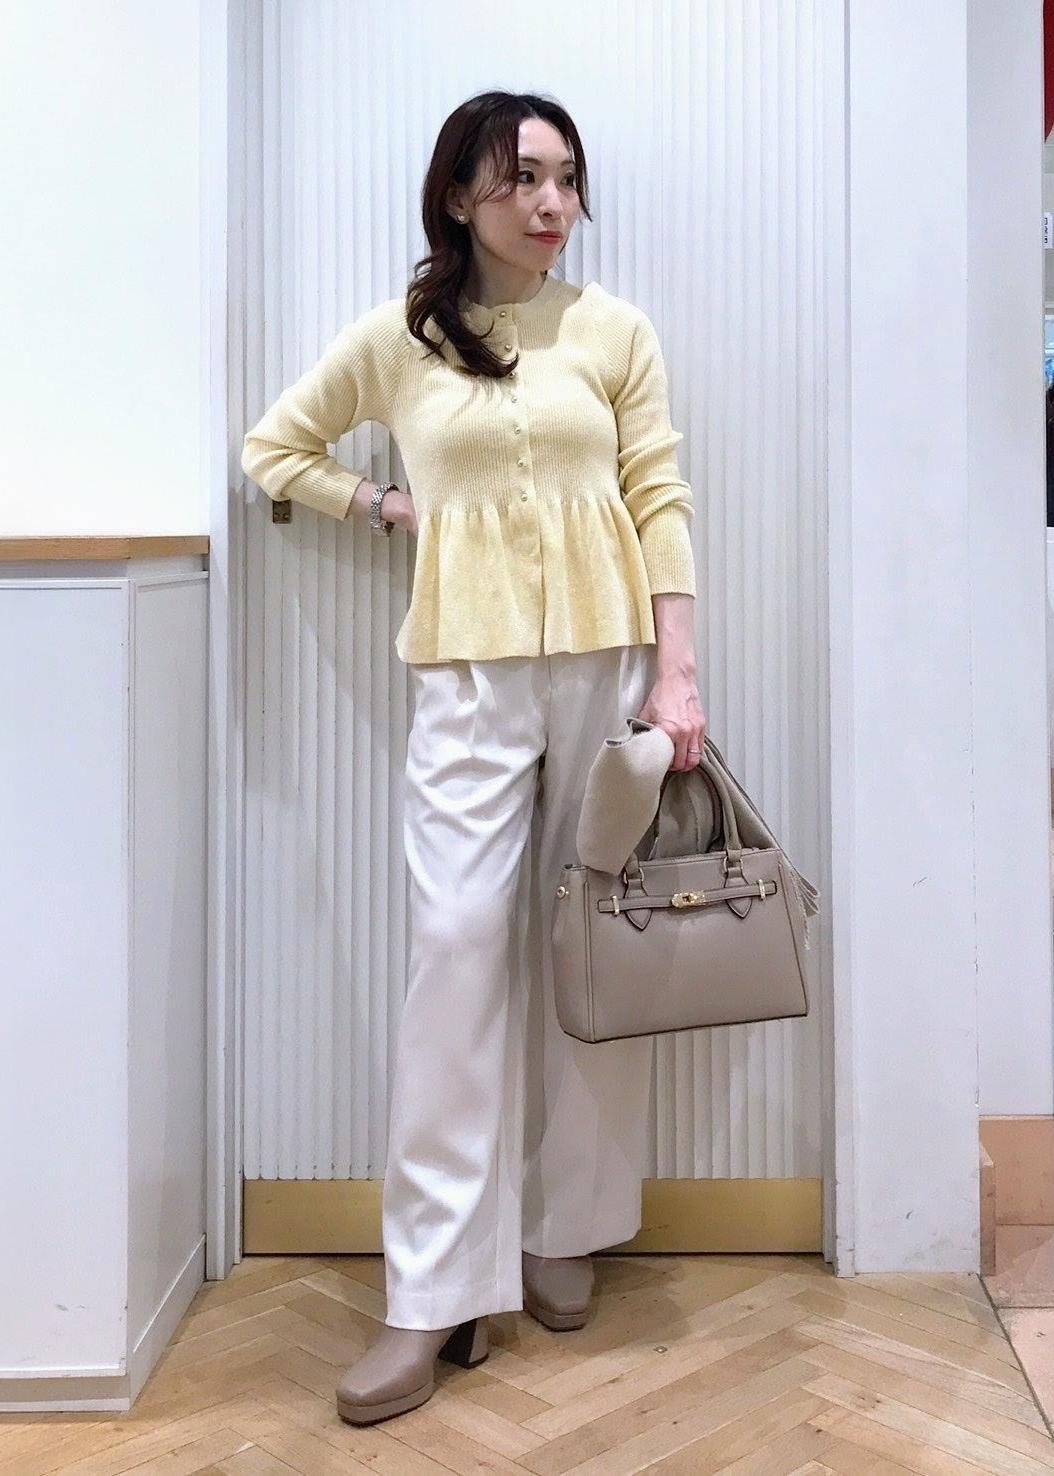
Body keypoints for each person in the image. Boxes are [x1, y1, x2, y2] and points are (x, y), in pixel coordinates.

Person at [241, 89, 707, 1426]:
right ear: (459, 195)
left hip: (608, 662)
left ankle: (570, 1223)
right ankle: (432, 1290)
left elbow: (659, 495)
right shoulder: (399, 338)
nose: (552, 203)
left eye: (567, 178)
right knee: (454, 950)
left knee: (592, 943)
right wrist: (382, 504)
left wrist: (677, 675)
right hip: (465, 670)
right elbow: (275, 448)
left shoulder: (613, 330)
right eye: (521, 178)